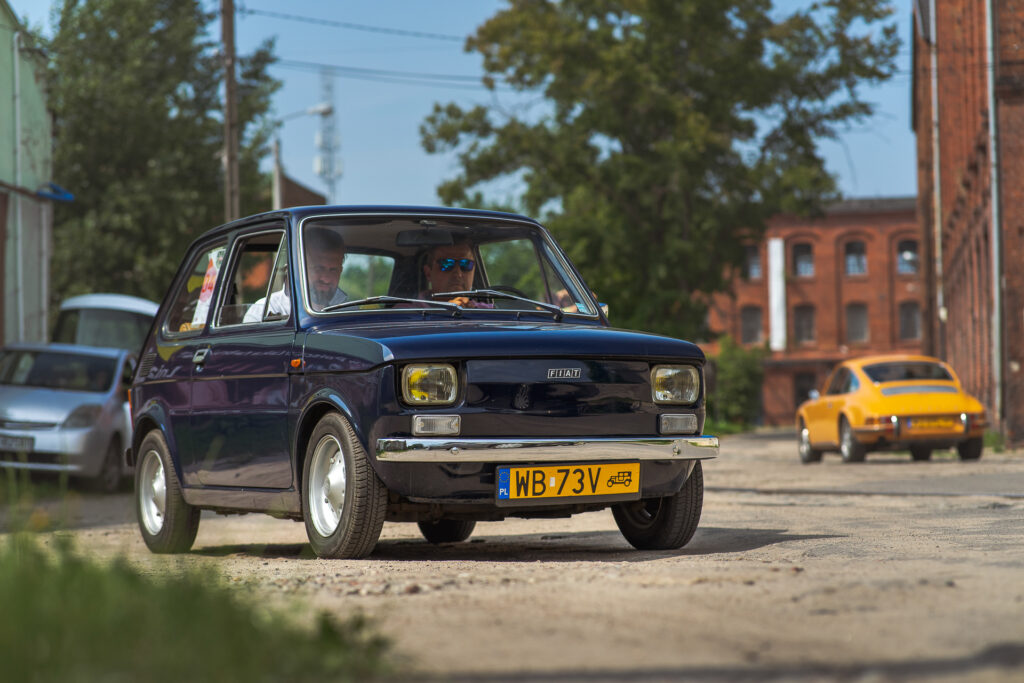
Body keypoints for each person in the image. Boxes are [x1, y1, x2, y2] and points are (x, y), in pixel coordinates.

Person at [421, 242, 492, 308]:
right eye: (447, 264)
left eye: (466, 264)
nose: (458, 274)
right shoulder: (411, 314)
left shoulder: (491, 314)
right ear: (428, 274)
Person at [305, 227, 349, 311]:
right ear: (300, 267)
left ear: (341, 271)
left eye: (333, 270)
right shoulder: (275, 308)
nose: (326, 279)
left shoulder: (351, 311)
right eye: (318, 268)